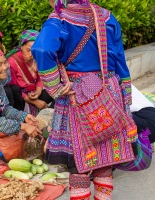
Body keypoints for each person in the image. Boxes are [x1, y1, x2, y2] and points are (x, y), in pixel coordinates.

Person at [31, 0, 137, 199]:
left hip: (76, 96)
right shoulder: (107, 17)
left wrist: (55, 86)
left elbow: (42, 49)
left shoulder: (60, 19)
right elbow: (120, 60)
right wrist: (125, 98)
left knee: (79, 161)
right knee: (104, 158)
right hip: (108, 93)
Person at [6, 30, 54, 113]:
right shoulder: (12, 62)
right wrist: (35, 102)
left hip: (34, 93)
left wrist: (38, 92)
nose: (31, 54)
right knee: (14, 90)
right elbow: (14, 89)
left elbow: (40, 78)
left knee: (56, 88)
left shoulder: (37, 57)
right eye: (28, 50)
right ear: (21, 47)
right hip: (21, 97)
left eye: (34, 51)